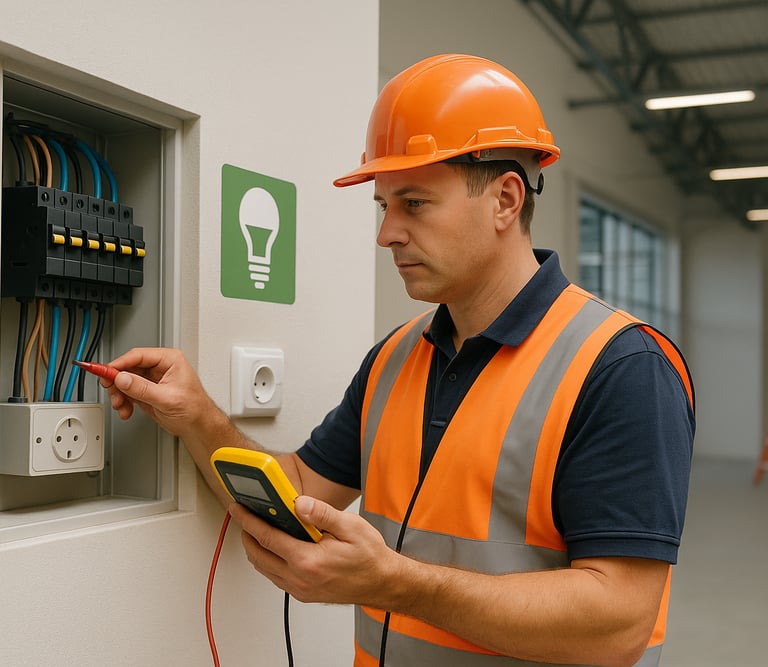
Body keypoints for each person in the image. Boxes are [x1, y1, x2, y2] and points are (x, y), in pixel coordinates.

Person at [104, 54, 695, 667]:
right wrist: (199, 415)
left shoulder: (620, 367)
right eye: (383, 206)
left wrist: (393, 582)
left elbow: (620, 621)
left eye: (413, 203)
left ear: (506, 200)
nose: (386, 233)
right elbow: (304, 490)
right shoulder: (395, 358)